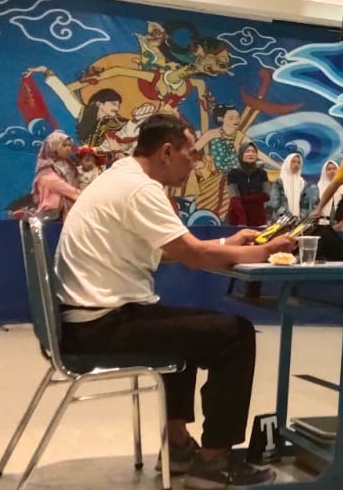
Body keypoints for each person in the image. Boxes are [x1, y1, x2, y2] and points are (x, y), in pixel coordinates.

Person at [54, 112, 291, 487]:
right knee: (235, 334)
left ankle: (179, 447)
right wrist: (266, 251)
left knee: (183, 327)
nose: (194, 162)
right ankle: (213, 462)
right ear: (167, 151)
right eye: (191, 153)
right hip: (100, 326)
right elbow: (193, 256)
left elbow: (170, 250)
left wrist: (227, 243)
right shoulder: (140, 189)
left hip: (87, 321)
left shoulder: (121, 178)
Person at [31, 131, 83, 221]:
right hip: (54, 214)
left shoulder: (70, 165)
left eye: (69, 146)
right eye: (64, 145)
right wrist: (81, 195)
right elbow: (59, 186)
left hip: (73, 210)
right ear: (54, 147)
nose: (68, 149)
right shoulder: (45, 168)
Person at [226, 143, 270, 226]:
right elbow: (234, 198)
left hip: (258, 217)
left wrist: (243, 198)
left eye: (253, 151)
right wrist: (242, 218)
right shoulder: (233, 173)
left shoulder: (262, 173)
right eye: (247, 151)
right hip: (238, 217)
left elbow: (266, 195)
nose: (250, 154)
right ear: (241, 154)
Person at [266, 153, 311, 221]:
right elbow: (275, 203)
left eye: (298, 163)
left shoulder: (303, 183)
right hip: (281, 221)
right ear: (287, 163)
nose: (296, 164)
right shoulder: (279, 181)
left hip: (298, 221)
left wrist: (301, 217)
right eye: (293, 161)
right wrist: (287, 217)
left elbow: (305, 204)